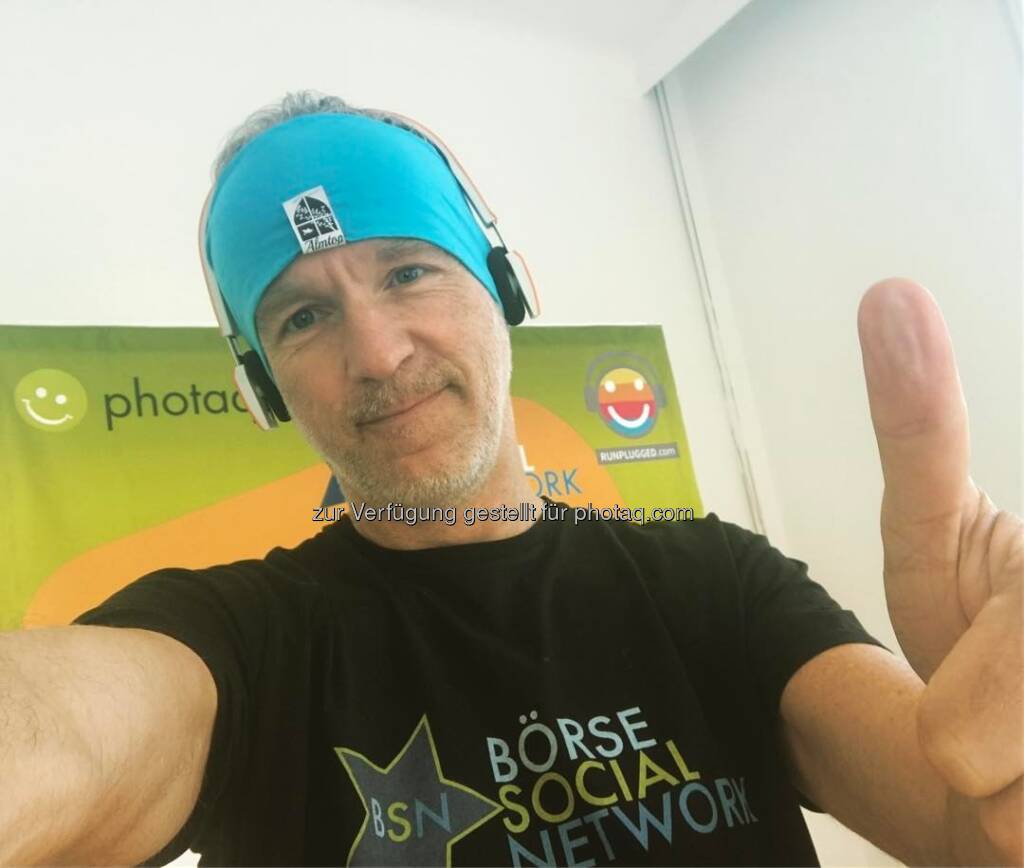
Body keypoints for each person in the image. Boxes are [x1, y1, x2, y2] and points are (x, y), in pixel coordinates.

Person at [0, 92, 1020, 867]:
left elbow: (967, 825)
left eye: (408, 271)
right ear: (265, 386)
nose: (378, 353)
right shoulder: (247, 648)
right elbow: (58, 735)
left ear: (503, 286)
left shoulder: (715, 583)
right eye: (303, 316)